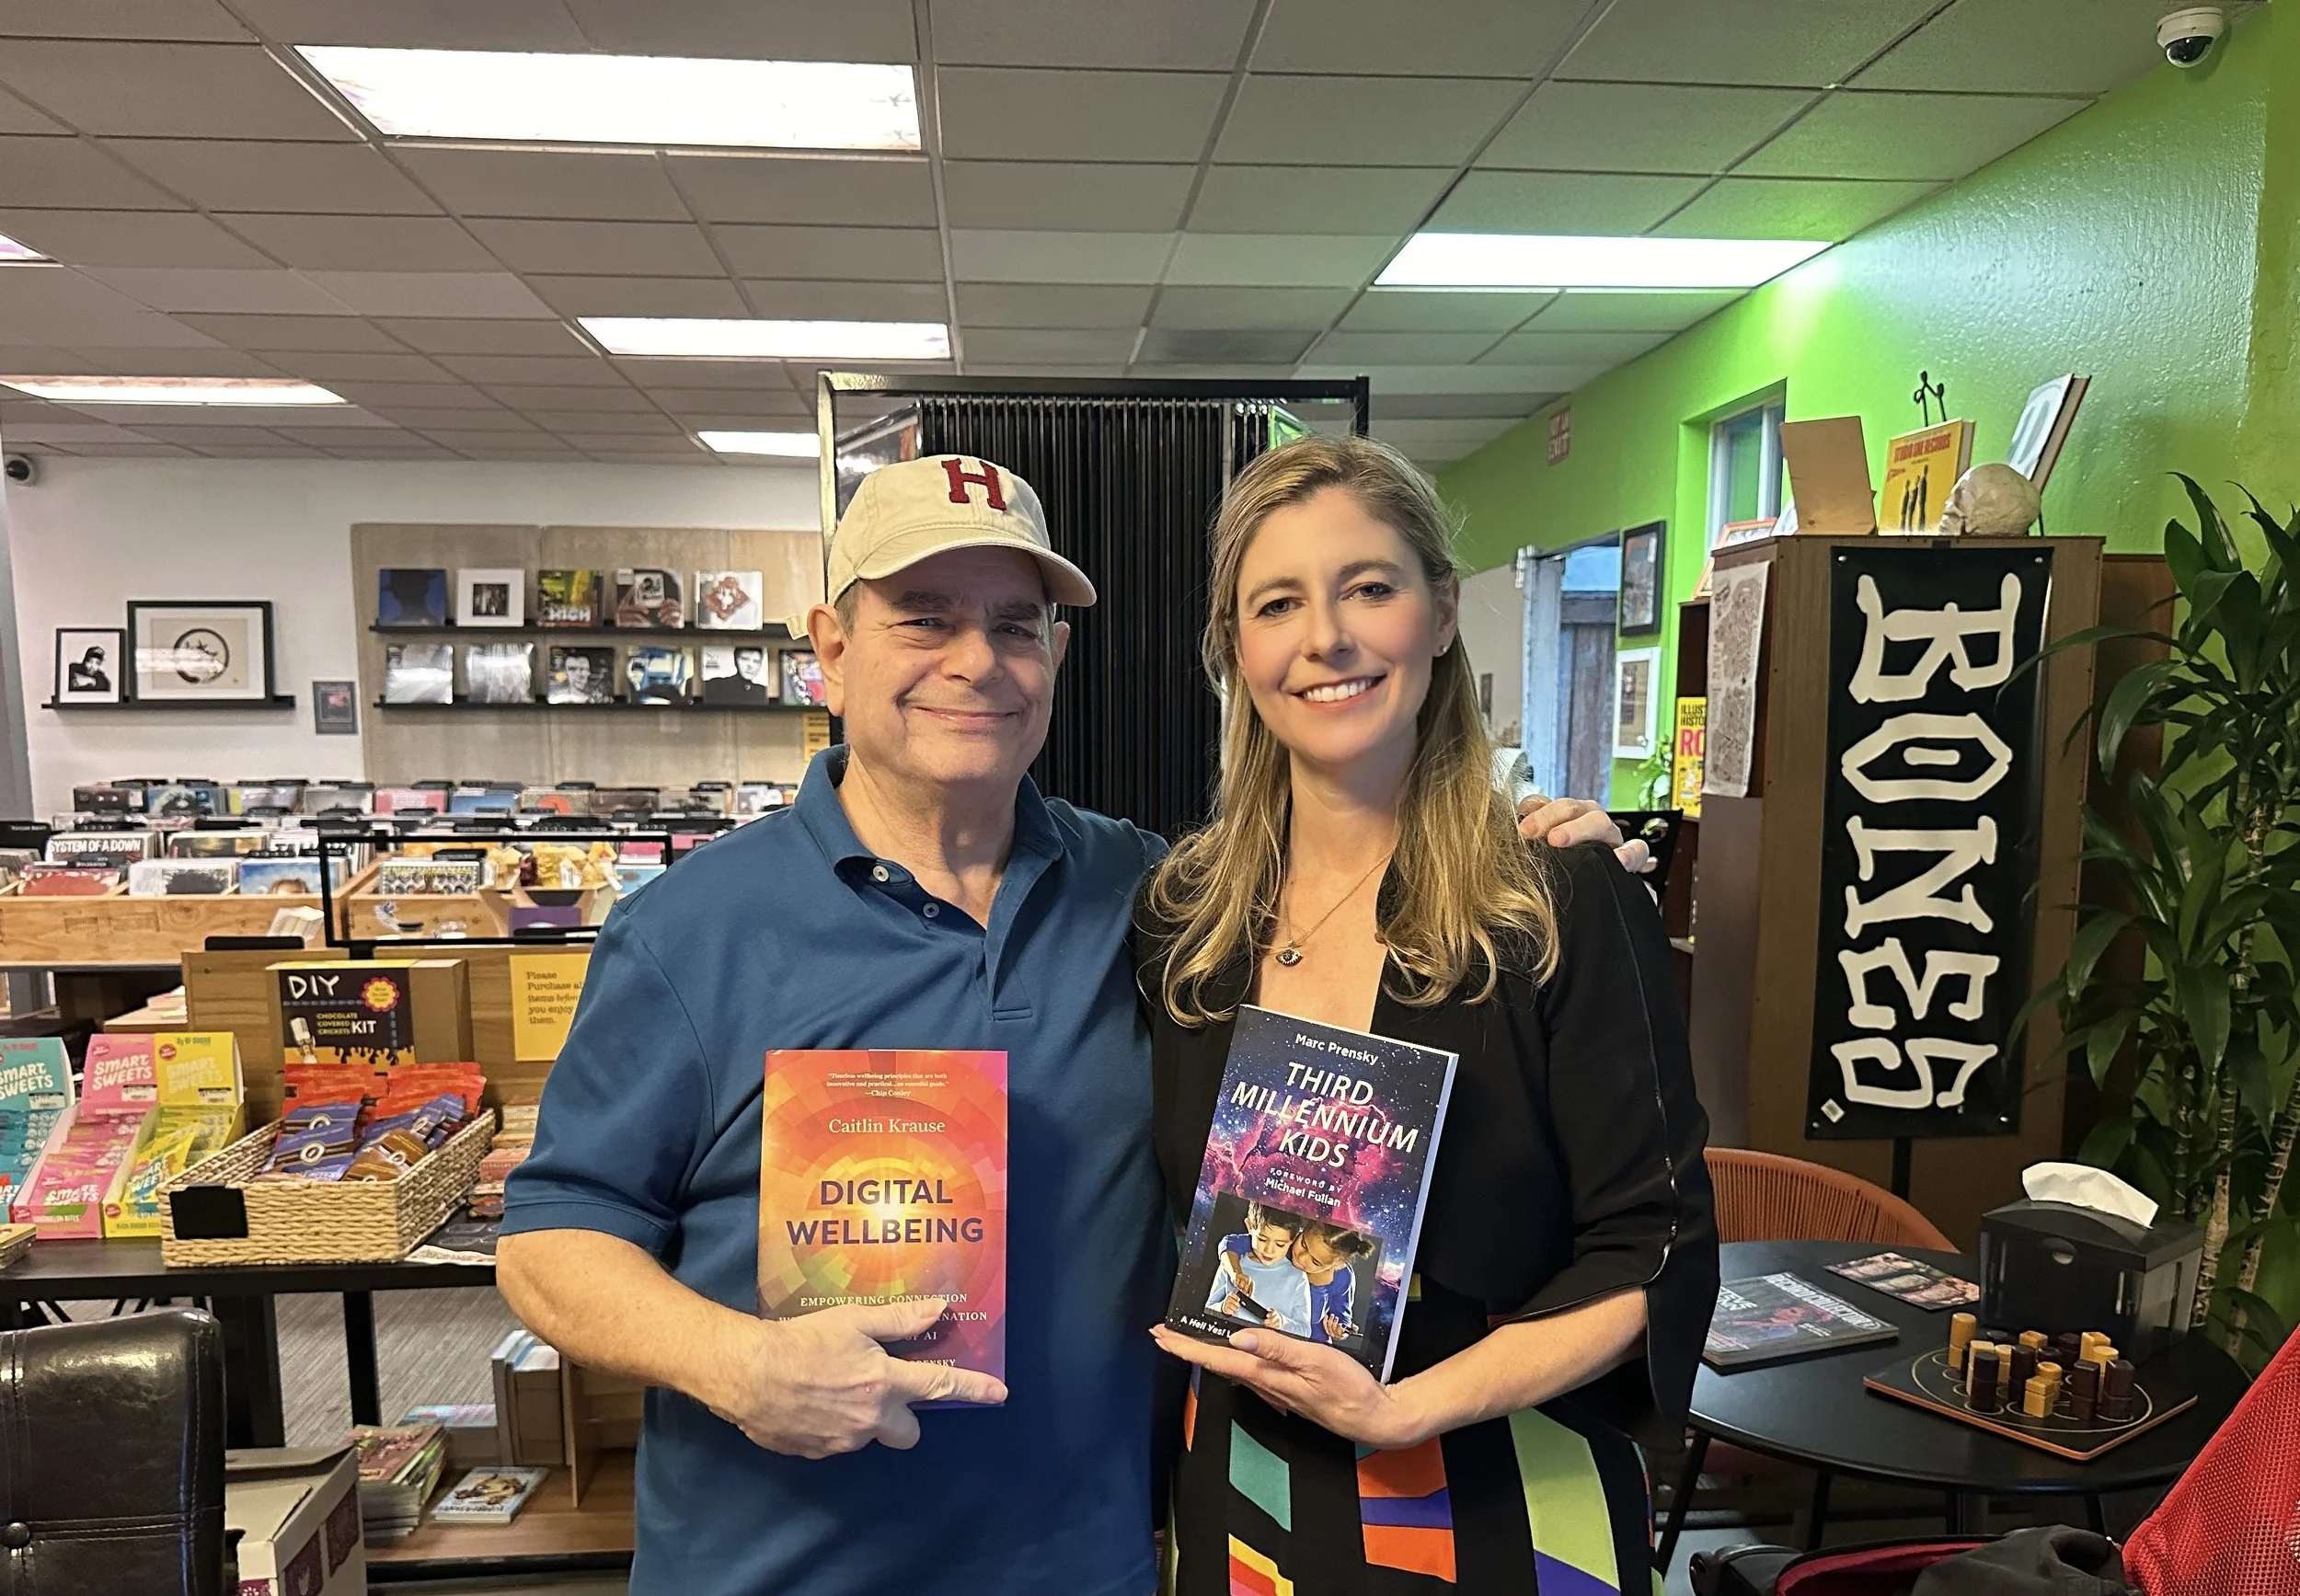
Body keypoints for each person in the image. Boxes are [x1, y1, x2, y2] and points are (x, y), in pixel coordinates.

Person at [498, 453, 1639, 1596]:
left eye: (1016, 623)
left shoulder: (1158, 901)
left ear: (1057, 654)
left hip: (1094, 1562)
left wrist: (1530, 848)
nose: (974, 661)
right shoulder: (687, 929)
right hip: (778, 1568)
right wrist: (739, 1362)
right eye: (923, 617)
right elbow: (551, 1241)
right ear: (831, 654)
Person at [1137, 435, 1718, 1594]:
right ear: (1234, 649)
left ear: (1441, 612)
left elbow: (1652, 1248)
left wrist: (1400, 1407)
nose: (1327, 639)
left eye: (1369, 587)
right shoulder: (1184, 924)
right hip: (1245, 1484)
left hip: (1508, 1484)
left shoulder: (1555, 904)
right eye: (1277, 603)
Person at [1209, 1202, 1313, 1336]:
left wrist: (1282, 1323)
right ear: (1250, 1226)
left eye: (1280, 1244)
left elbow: (1305, 1331)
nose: (1269, 1250)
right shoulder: (1230, 1264)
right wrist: (1222, 1308)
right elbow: (1209, 1308)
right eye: (1262, 1239)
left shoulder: (1297, 1277)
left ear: (1293, 1240)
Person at [1292, 1220, 1371, 1346]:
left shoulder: (1342, 1276)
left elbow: (1343, 1319)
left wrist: (1340, 1332)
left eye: (1315, 1262)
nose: (1301, 1257)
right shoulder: (1282, 1242)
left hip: (1313, 1345)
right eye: (1303, 1244)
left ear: (1337, 1266)